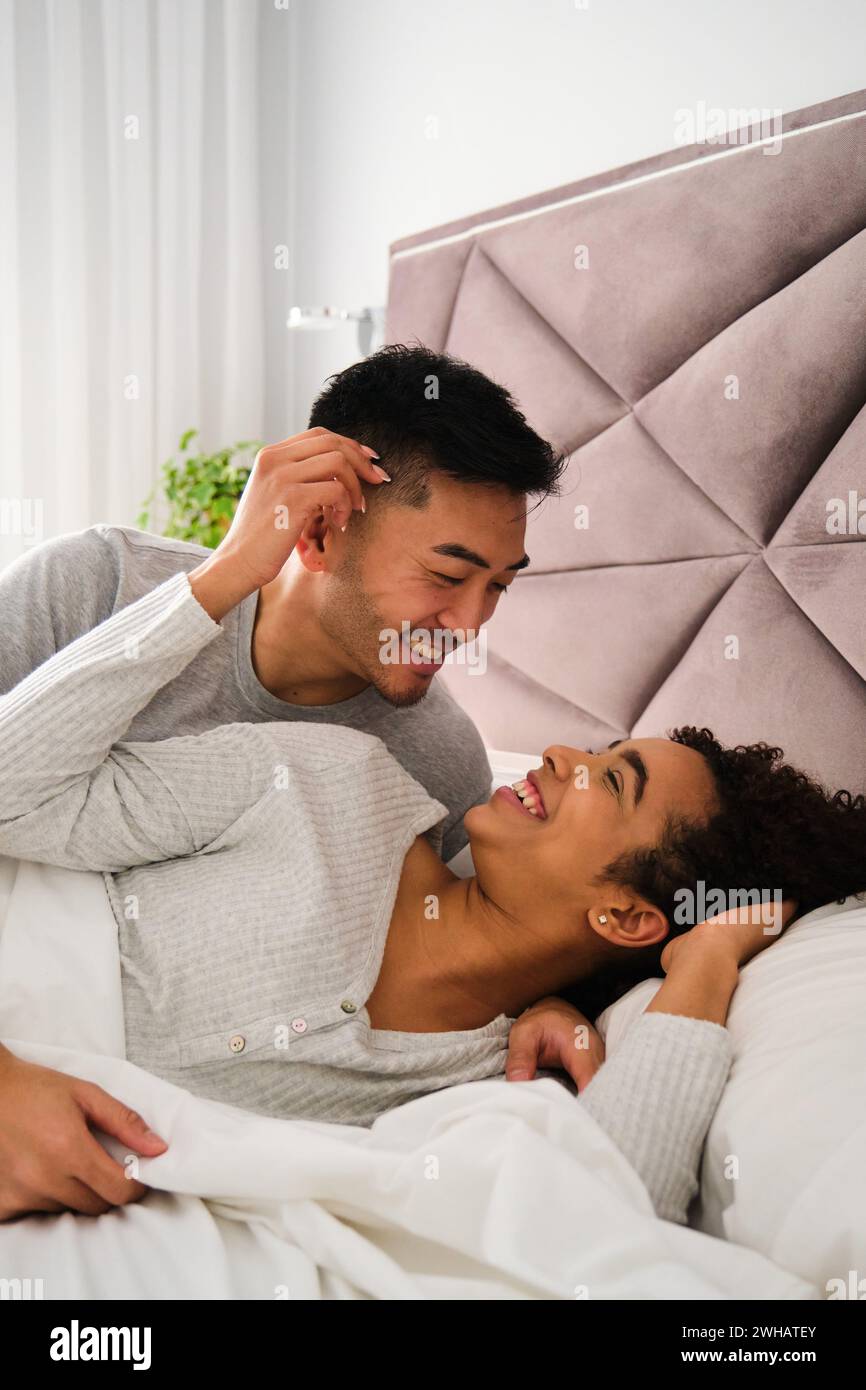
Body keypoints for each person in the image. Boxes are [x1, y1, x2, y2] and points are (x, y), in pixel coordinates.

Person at [1, 474, 864, 1226]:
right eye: (448, 574)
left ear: (630, 915)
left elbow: (604, 1216)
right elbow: (12, 791)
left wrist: (702, 969)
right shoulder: (325, 778)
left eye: (612, 779)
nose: (565, 754)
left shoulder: (488, 1075)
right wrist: (222, 577)